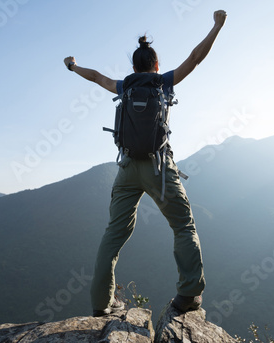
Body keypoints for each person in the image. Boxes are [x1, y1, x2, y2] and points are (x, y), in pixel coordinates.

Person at [63, 10, 227, 316]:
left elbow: (96, 76)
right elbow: (195, 58)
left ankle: (101, 303)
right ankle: (189, 293)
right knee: (182, 226)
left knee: (113, 233)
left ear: (134, 66)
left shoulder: (125, 86)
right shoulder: (162, 82)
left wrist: (73, 67)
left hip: (126, 169)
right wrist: (216, 27)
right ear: (155, 65)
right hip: (158, 168)